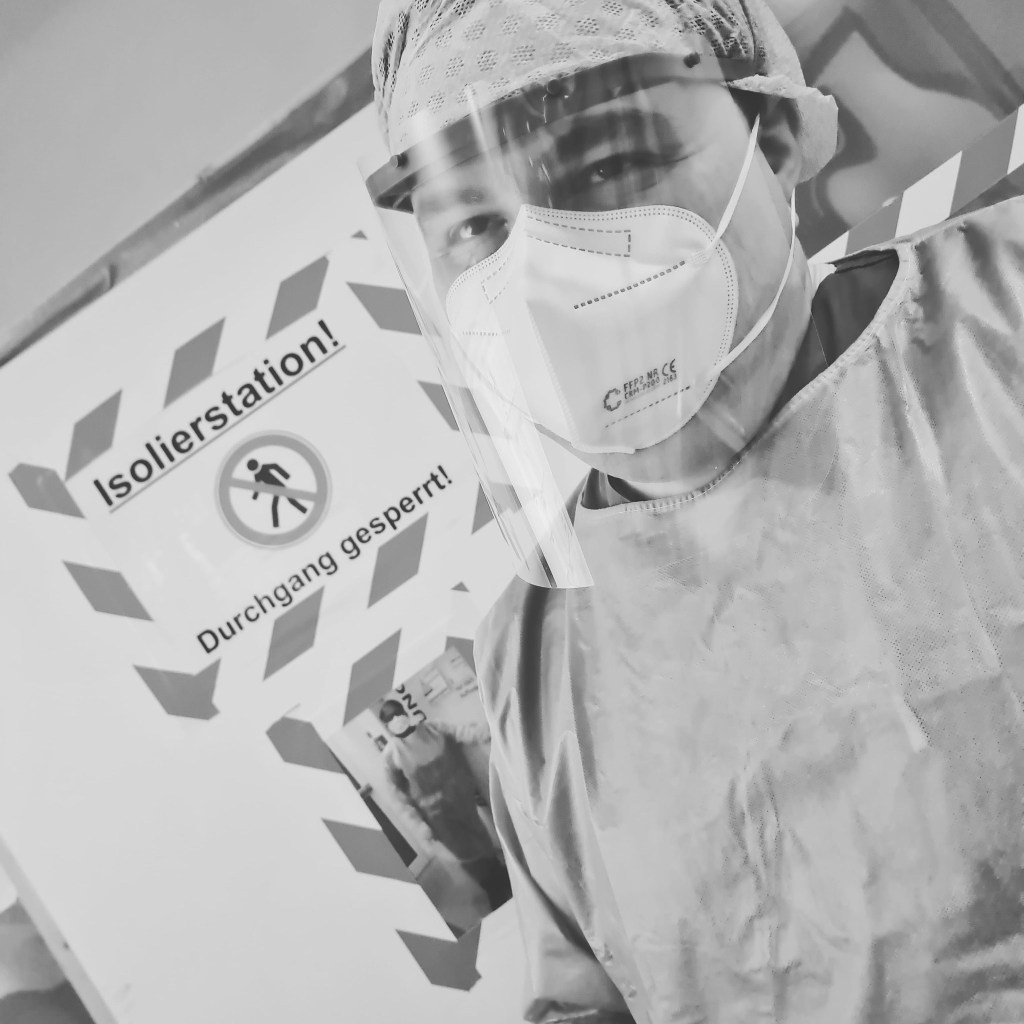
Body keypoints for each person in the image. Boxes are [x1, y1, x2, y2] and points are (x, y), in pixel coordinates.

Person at [365, 1, 1024, 1020]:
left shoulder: (1002, 319)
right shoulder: (536, 656)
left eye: (607, 164)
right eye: (477, 226)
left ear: (776, 134)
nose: (541, 266)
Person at [376, 700, 512, 912]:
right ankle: (492, 887)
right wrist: (419, 826)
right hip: (437, 816)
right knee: (465, 853)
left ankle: (502, 877)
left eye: (398, 713)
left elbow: (462, 732)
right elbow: (398, 797)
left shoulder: (433, 728)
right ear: (386, 726)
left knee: (481, 839)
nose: (397, 720)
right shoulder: (392, 756)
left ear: (405, 712)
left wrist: (495, 728)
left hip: (463, 801)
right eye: (390, 719)